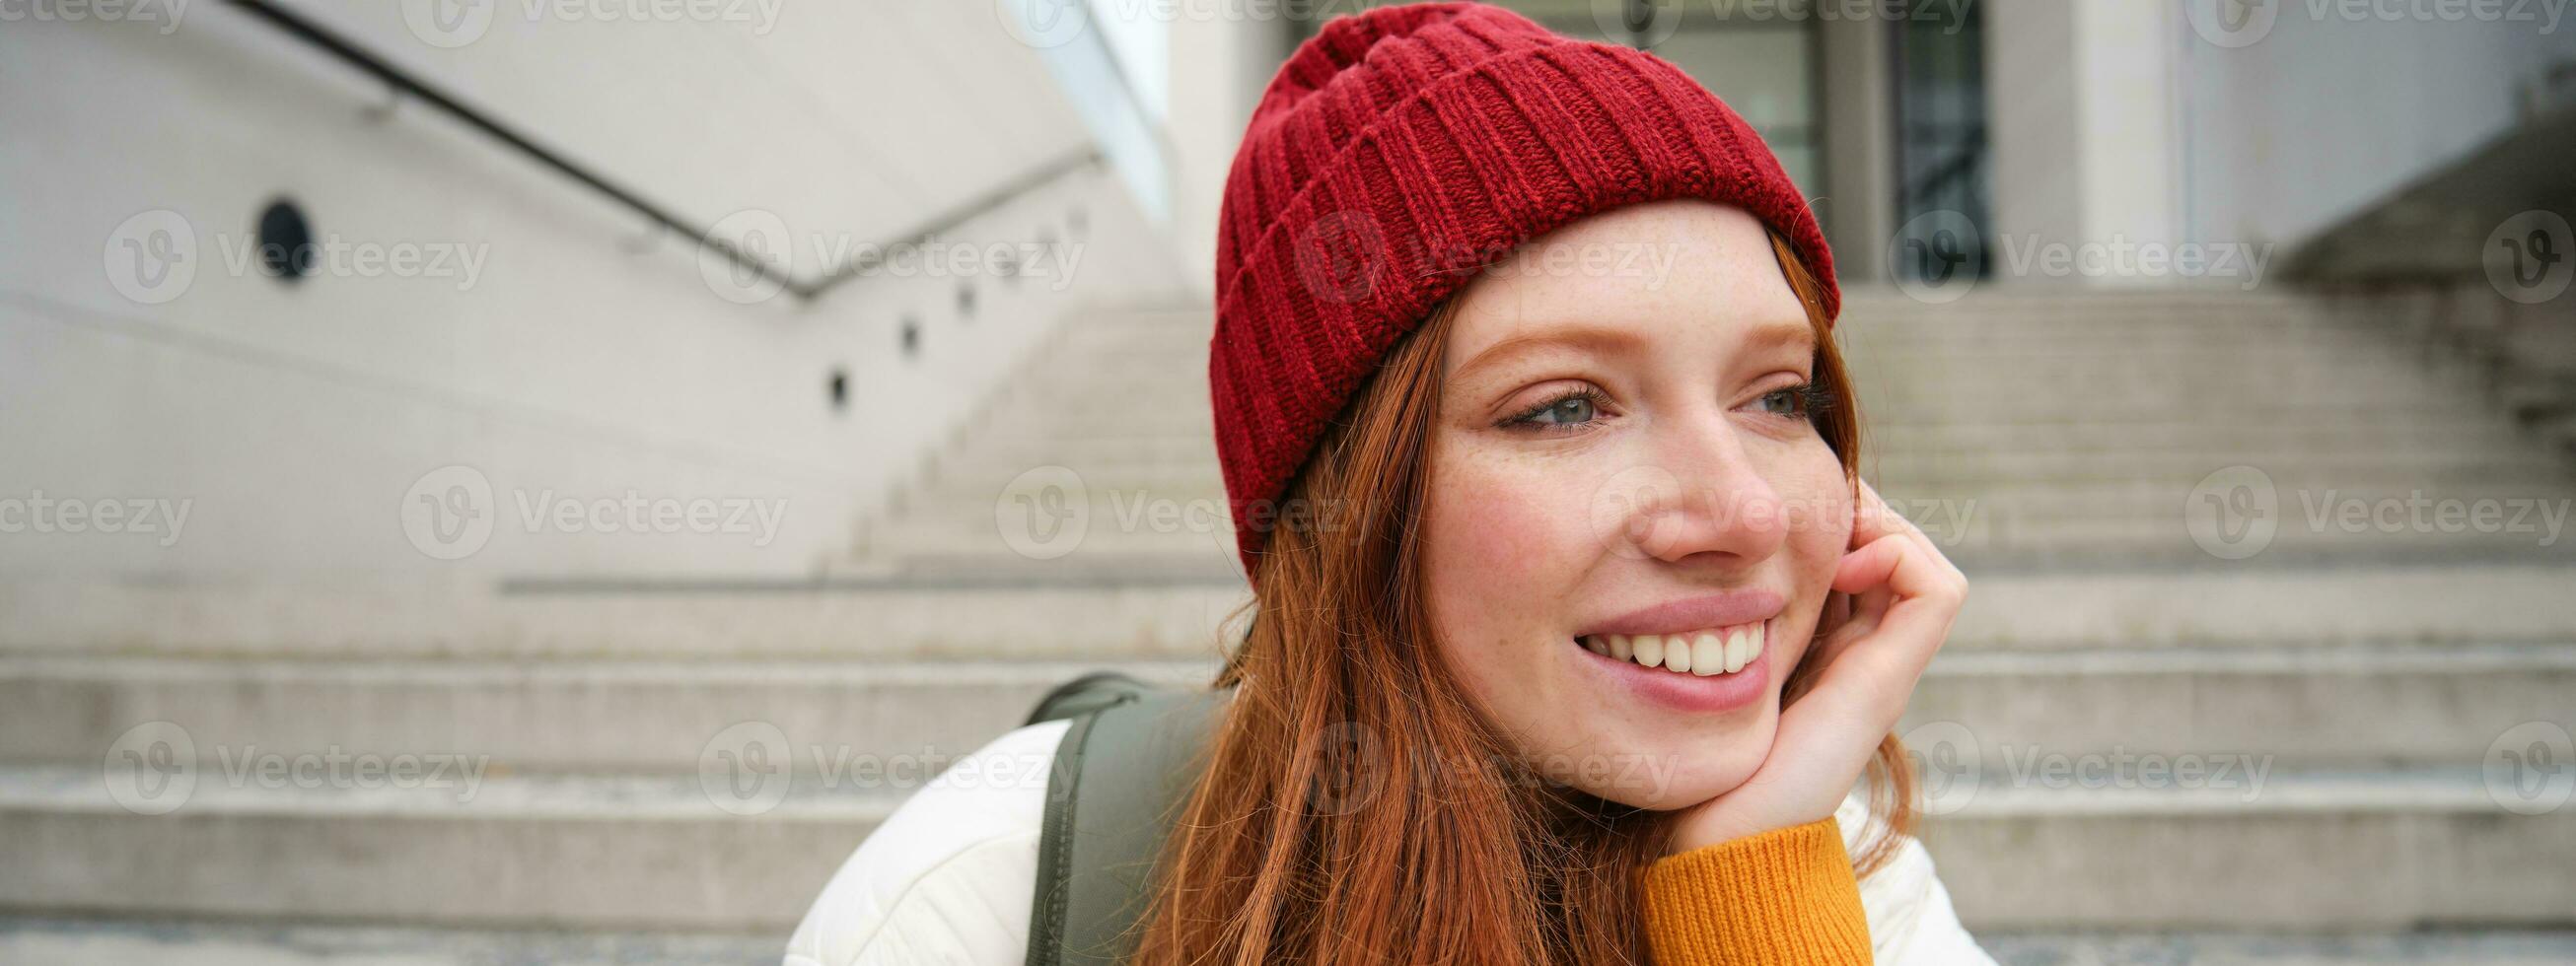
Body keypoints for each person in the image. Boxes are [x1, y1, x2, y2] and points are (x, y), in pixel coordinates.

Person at [789, 3, 1990, 962]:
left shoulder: (1838, 869)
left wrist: (1748, 898)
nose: (1743, 511)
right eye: (1562, 405)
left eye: (1778, 397)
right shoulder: (975, 896)